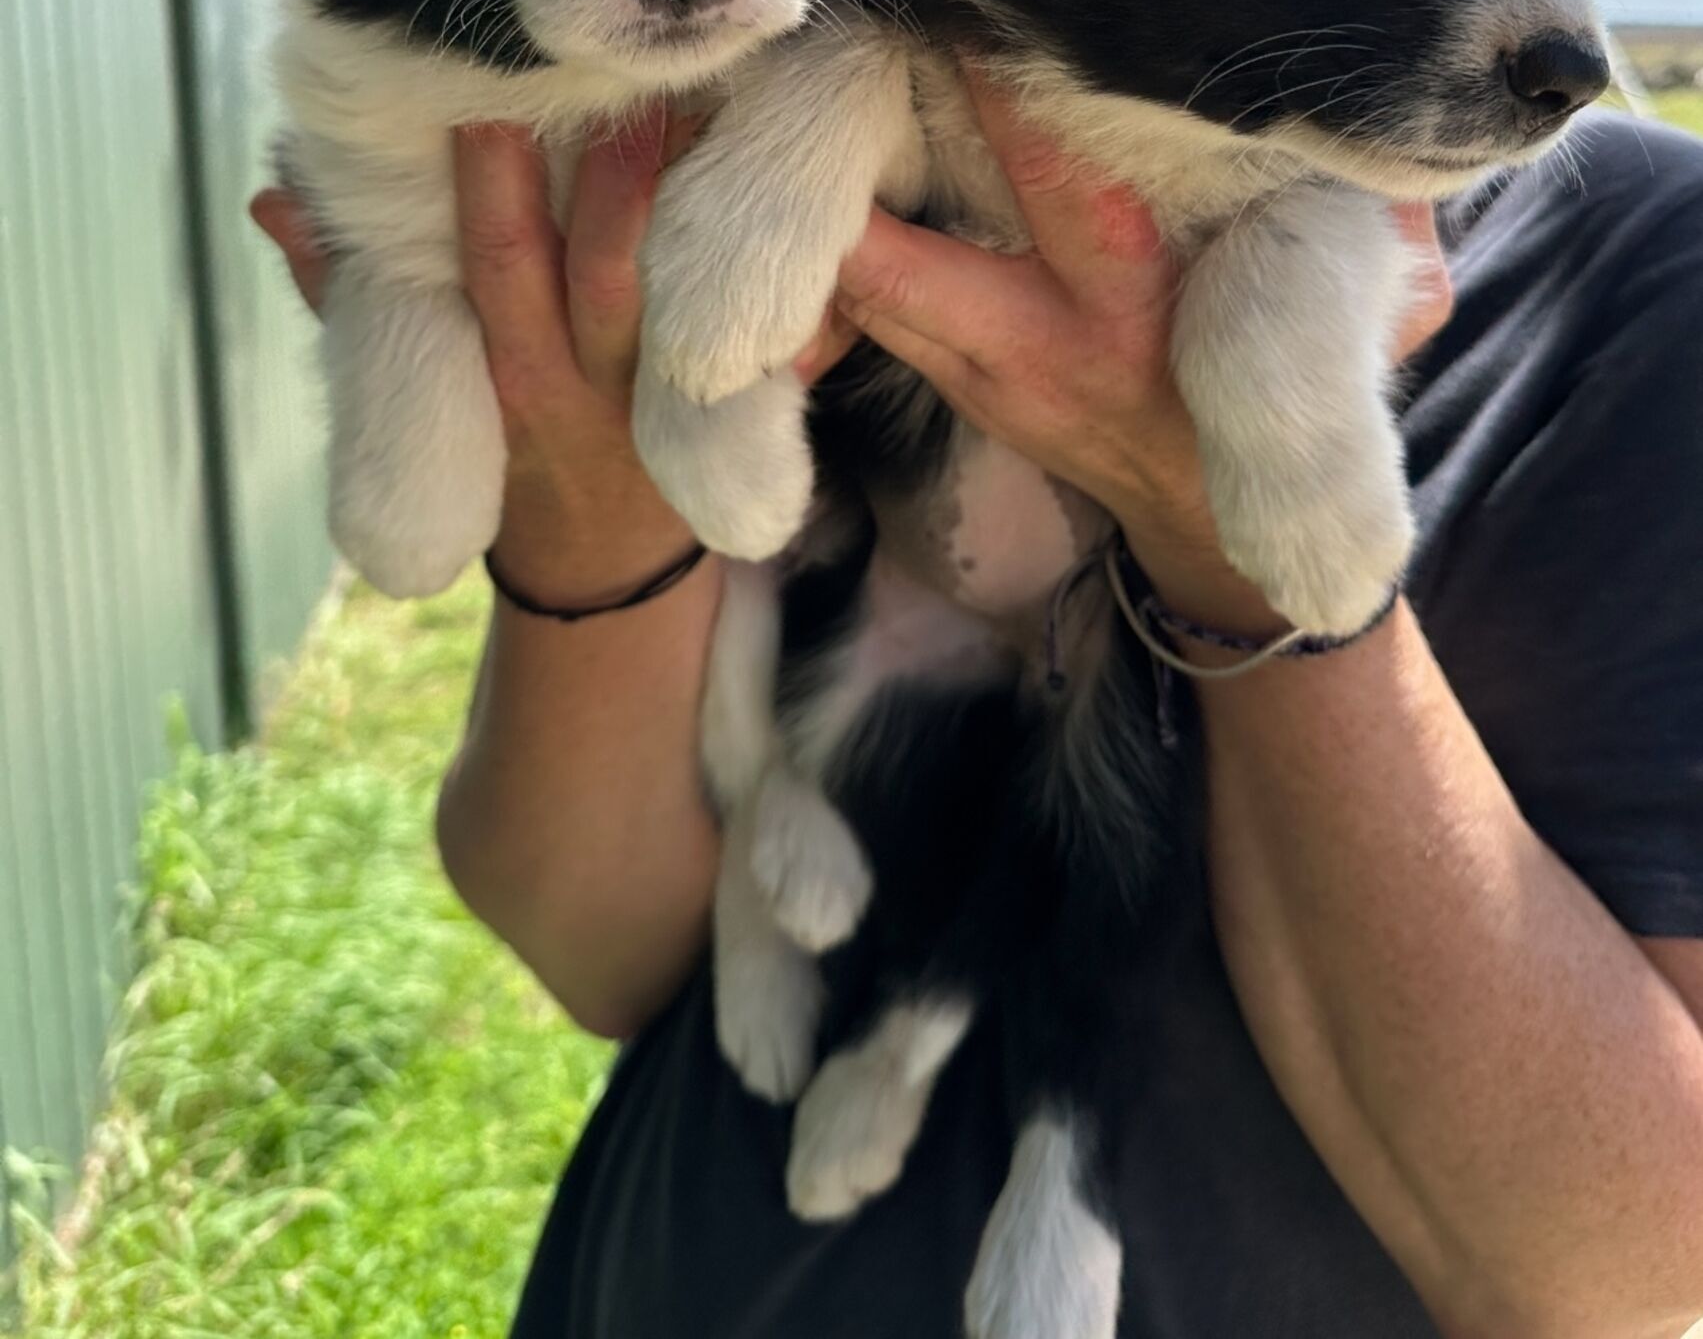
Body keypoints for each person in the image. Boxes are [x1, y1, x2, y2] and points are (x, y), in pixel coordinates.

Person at [254, 93, 1703, 1339]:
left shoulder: (1636, 277)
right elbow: (600, 953)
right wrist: (592, 514)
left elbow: (1612, 1263)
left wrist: (1235, 537)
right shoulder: (794, 145)